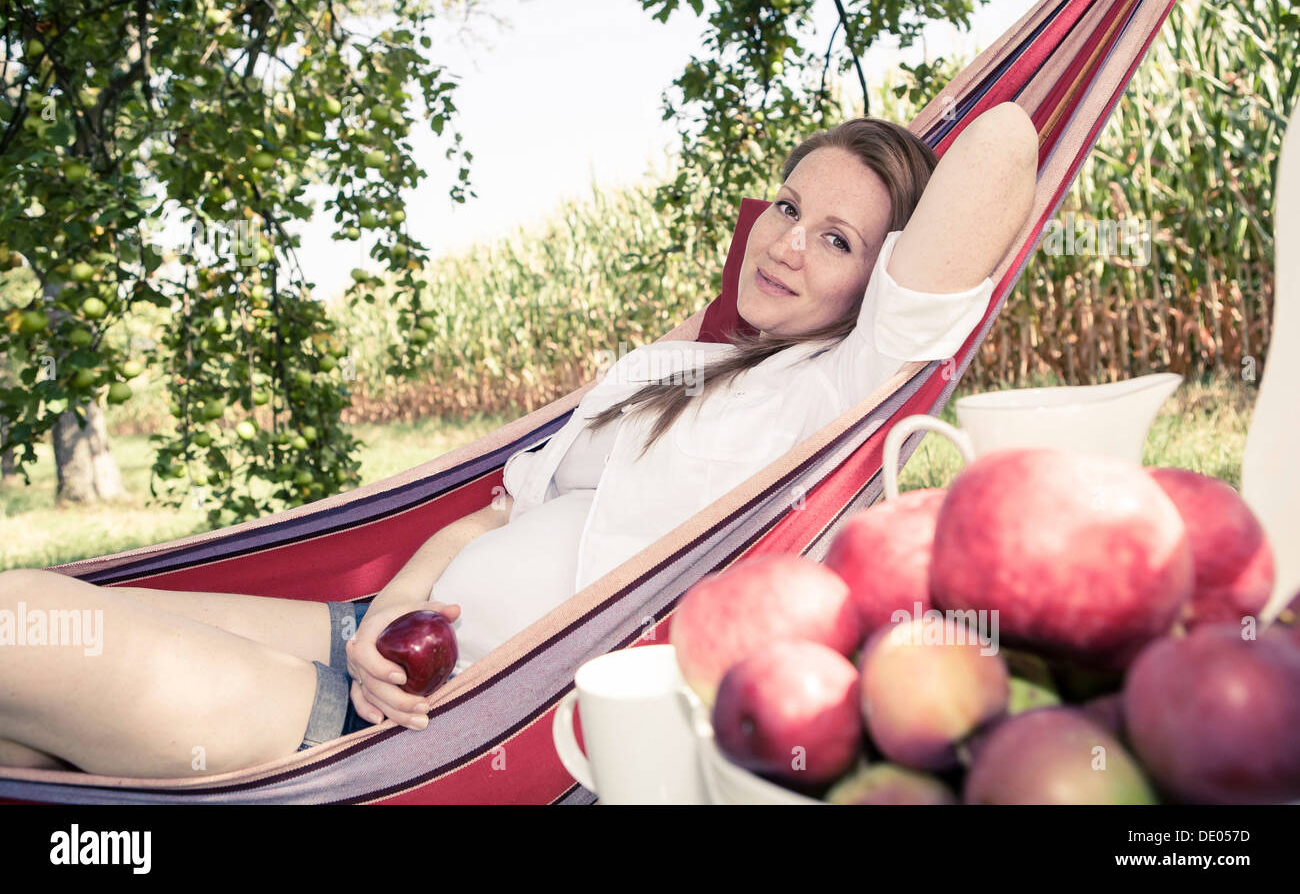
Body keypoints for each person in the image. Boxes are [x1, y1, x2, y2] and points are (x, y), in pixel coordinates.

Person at [0, 101, 1039, 778]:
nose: (787, 244)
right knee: (32, 639)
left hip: (433, 724)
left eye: (838, 240)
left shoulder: (845, 392)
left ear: (883, 277)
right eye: (787, 207)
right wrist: (392, 609)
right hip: (374, 634)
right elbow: (496, 513)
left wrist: (893, 263)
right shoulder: (683, 366)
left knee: (21, 634)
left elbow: (1001, 140)